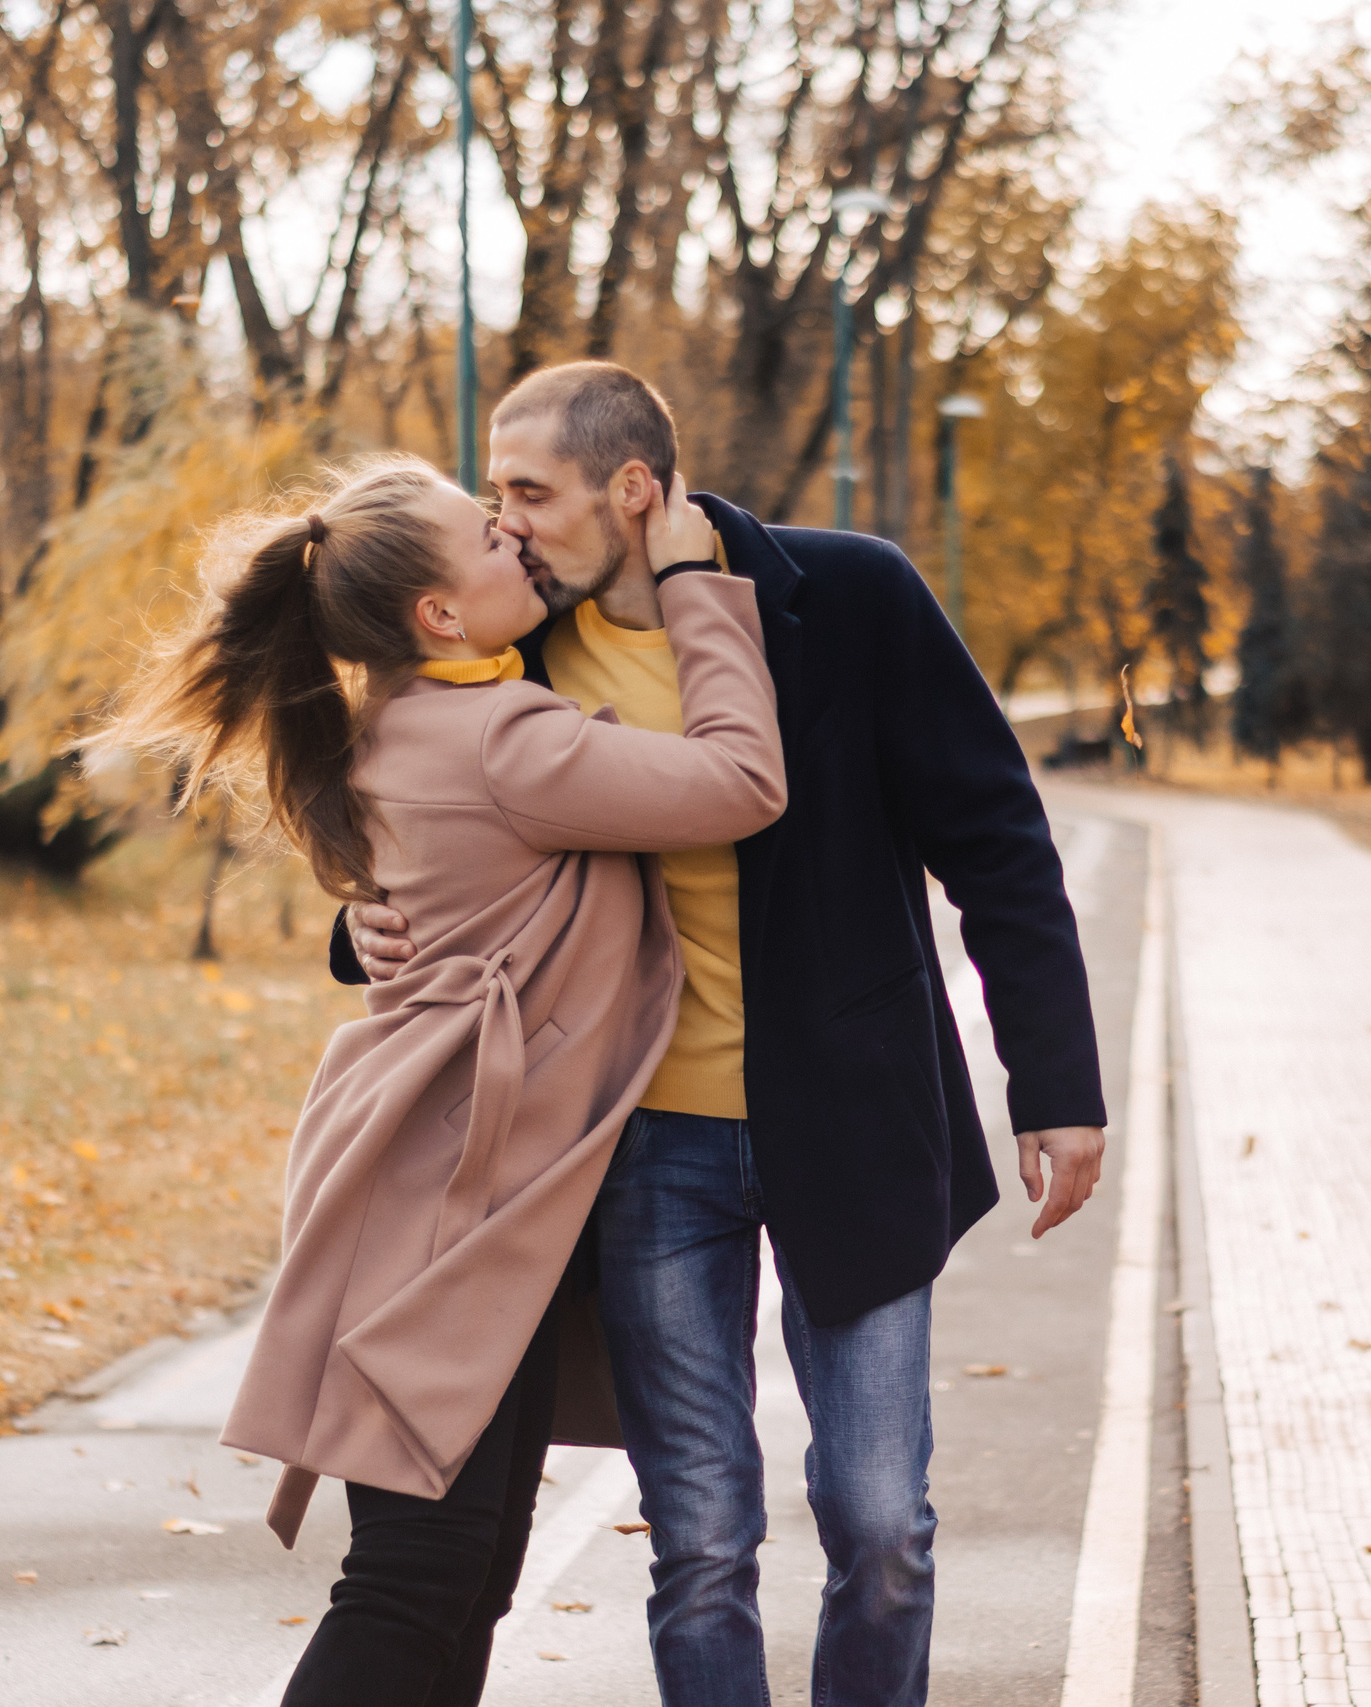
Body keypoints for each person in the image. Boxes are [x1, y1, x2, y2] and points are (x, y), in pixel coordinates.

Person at [332, 363, 1108, 1707]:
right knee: (698, 1536)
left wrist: (1056, 1082)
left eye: (531, 492)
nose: (507, 525)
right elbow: (441, 816)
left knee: (881, 1524)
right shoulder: (528, 644)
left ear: (632, 488)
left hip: (854, 1120)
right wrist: (360, 925)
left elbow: (996, 839)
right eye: (496, 497)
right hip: (643, 1144)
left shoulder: (849, 595)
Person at [102, 452, 786, 1707]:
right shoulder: (506, 738)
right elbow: (744, 784)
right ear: (438, 614)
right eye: (486, 535)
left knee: (461, 1574)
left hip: (441, 1174)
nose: (512, 539)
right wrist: (699, 590)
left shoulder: (417, 713)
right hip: (448, 1197)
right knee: (420, 1576)